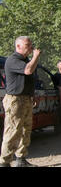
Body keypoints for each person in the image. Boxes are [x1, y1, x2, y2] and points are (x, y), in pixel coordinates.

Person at [0, 36, 40, 167]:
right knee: (12, 131)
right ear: (18, 46)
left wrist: (33, 95)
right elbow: (28, 70)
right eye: (28, 45)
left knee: (25, 130)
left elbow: (29, 80)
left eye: (31, 45)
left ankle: (21, 159)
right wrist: (36, 56)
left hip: (26, 98)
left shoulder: (26, 60)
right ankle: (4, 162)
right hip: (15, 100)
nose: (31, 47)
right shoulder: (13, 60)